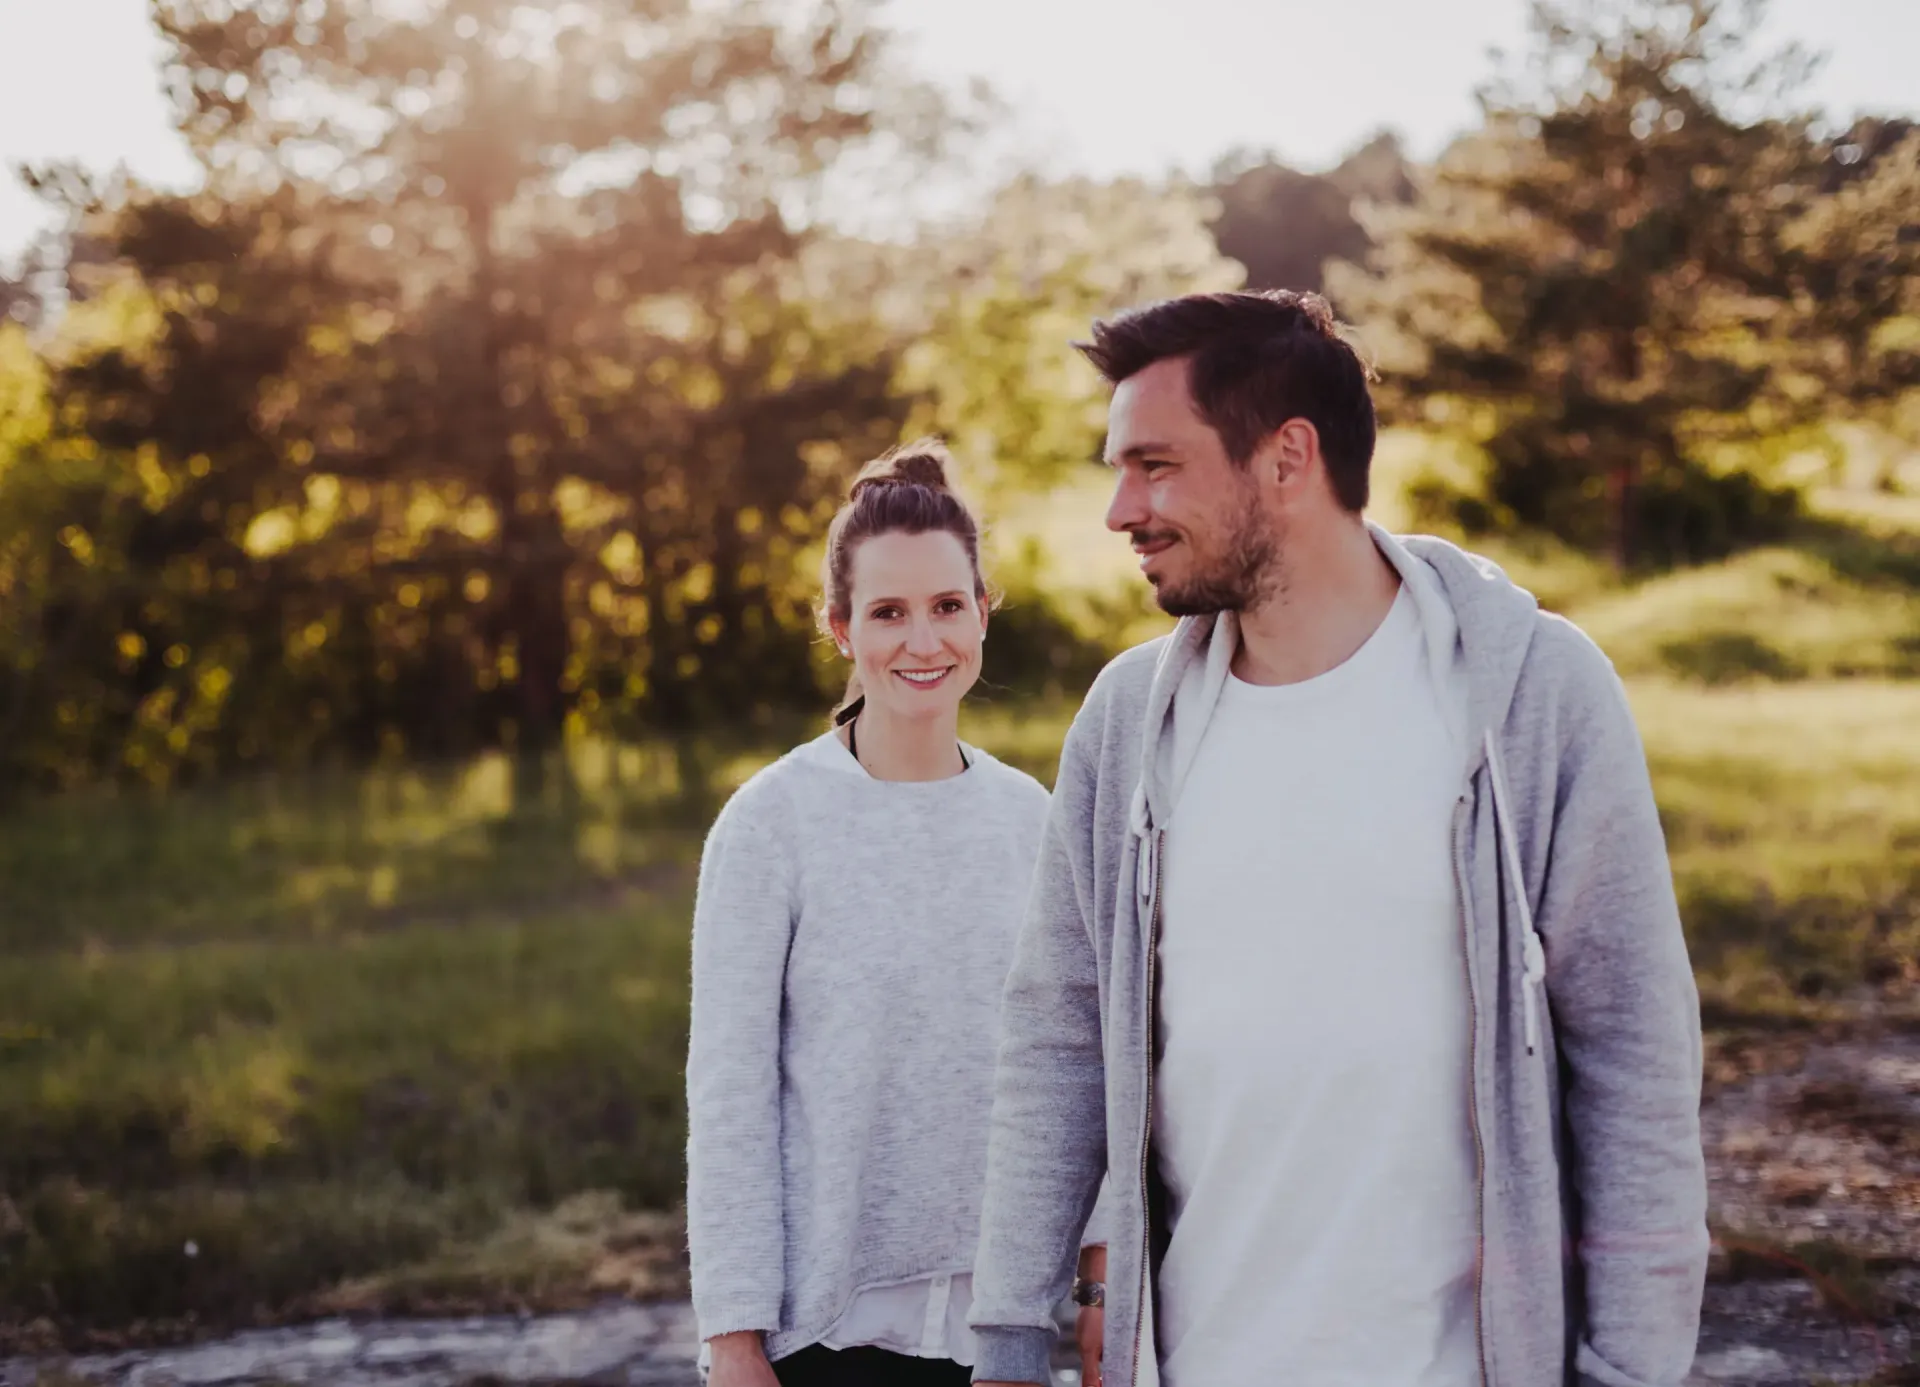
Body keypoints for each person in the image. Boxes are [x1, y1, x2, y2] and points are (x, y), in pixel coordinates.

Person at [968, 291, 1708, 1387]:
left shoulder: (1527, 695)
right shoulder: (1130, 723)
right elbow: (1058, 1042)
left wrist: (1634, 1369)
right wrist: (1005, 1348)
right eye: (1118, 470)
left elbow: (1634, 1051)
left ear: (1288, 457)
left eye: (1157, 465)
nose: (1121, 509)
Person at [687, 440, 1090, 1387]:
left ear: (984, 612)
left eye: (949, 606)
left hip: (1002, 1334)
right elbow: (731, 1096)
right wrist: (732, 1336)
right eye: (888, 613)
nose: (923, 641)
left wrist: (1098, 1286)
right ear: (839, 627)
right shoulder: (768, 825)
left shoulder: (1031, 819)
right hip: (823, 1338)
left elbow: (1073, 1071)